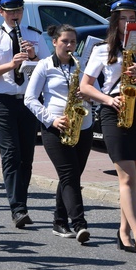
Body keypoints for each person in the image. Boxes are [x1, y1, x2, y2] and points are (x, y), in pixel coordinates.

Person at [80, 0, 136, 258]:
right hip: (114, 112)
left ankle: (123, 233)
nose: (128, 22)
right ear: (115, 22)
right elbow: (85, 86)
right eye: (122, 18)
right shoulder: (103, 50)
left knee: (134, 182)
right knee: (125, 178)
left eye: (132, 18)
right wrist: (107, 99)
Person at [0, 0, 49, 229]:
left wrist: (33, 56)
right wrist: (11, 64)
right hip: (1, 101)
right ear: (1, 12)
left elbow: (49, 68)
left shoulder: (34, 35)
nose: (15, 16)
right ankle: (18, 208)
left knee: (26, 157)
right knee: (10, 154)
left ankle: (22, 202)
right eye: (10, 12)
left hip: (28, 100)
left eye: (18, 11)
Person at [25, 24, 93, 243]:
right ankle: (80, 224)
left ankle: (59, 221)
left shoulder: (82, 65)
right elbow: (30, 98)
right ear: (54, 42)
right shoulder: (44, 65)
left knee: (71, 176)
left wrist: (91, 95)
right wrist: (51, 119)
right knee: (69, 175)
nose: (70, 46)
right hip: (55, 127)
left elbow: (96, 90)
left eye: (73, 42)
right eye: (65, 41)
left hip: (83, 125)